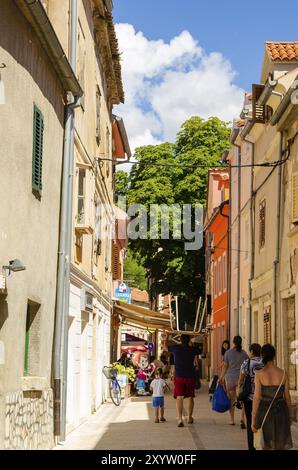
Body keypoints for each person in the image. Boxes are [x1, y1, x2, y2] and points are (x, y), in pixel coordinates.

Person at [252, 344, 293, 450]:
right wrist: (290, 414)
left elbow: (256, 397)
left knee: (266, 444)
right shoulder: (284, 373)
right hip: (281, 411)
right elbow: (287, 397)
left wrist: (254, 418)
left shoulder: (259, 374)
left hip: (264, 411)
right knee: (280, 443)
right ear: (274, 356)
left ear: (262, 357)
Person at [168, 335, 201, 427]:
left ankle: (180, 419)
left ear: (180, 340)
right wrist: (206, 337)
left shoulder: (175, 348)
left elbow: (165, 346)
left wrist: (166, 336)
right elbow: (204, 351)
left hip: (179, 376)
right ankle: (190, 417)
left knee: (179, 396)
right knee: (190, 396)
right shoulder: (193, 349)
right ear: (189, 340)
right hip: (190, 376)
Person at [238, 343, 263, 450]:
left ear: (252, 351)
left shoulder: (246, 362)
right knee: (262, 422)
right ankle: (262, 444)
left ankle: (252, 447)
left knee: (250, 424)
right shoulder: (264, 362)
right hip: (262, 397)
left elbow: (241, 379)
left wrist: (239, 391)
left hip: (249, 397)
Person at [218, 335, 248, 426]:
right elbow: (247, 366)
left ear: (233, 342)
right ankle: (242, 419)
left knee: (232, 400)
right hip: (241, 378)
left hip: (230, 378)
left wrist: (221, 377)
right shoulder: (244, 354)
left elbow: (225, 366)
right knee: (243, 399)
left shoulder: (228, 353)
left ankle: (231, 419)